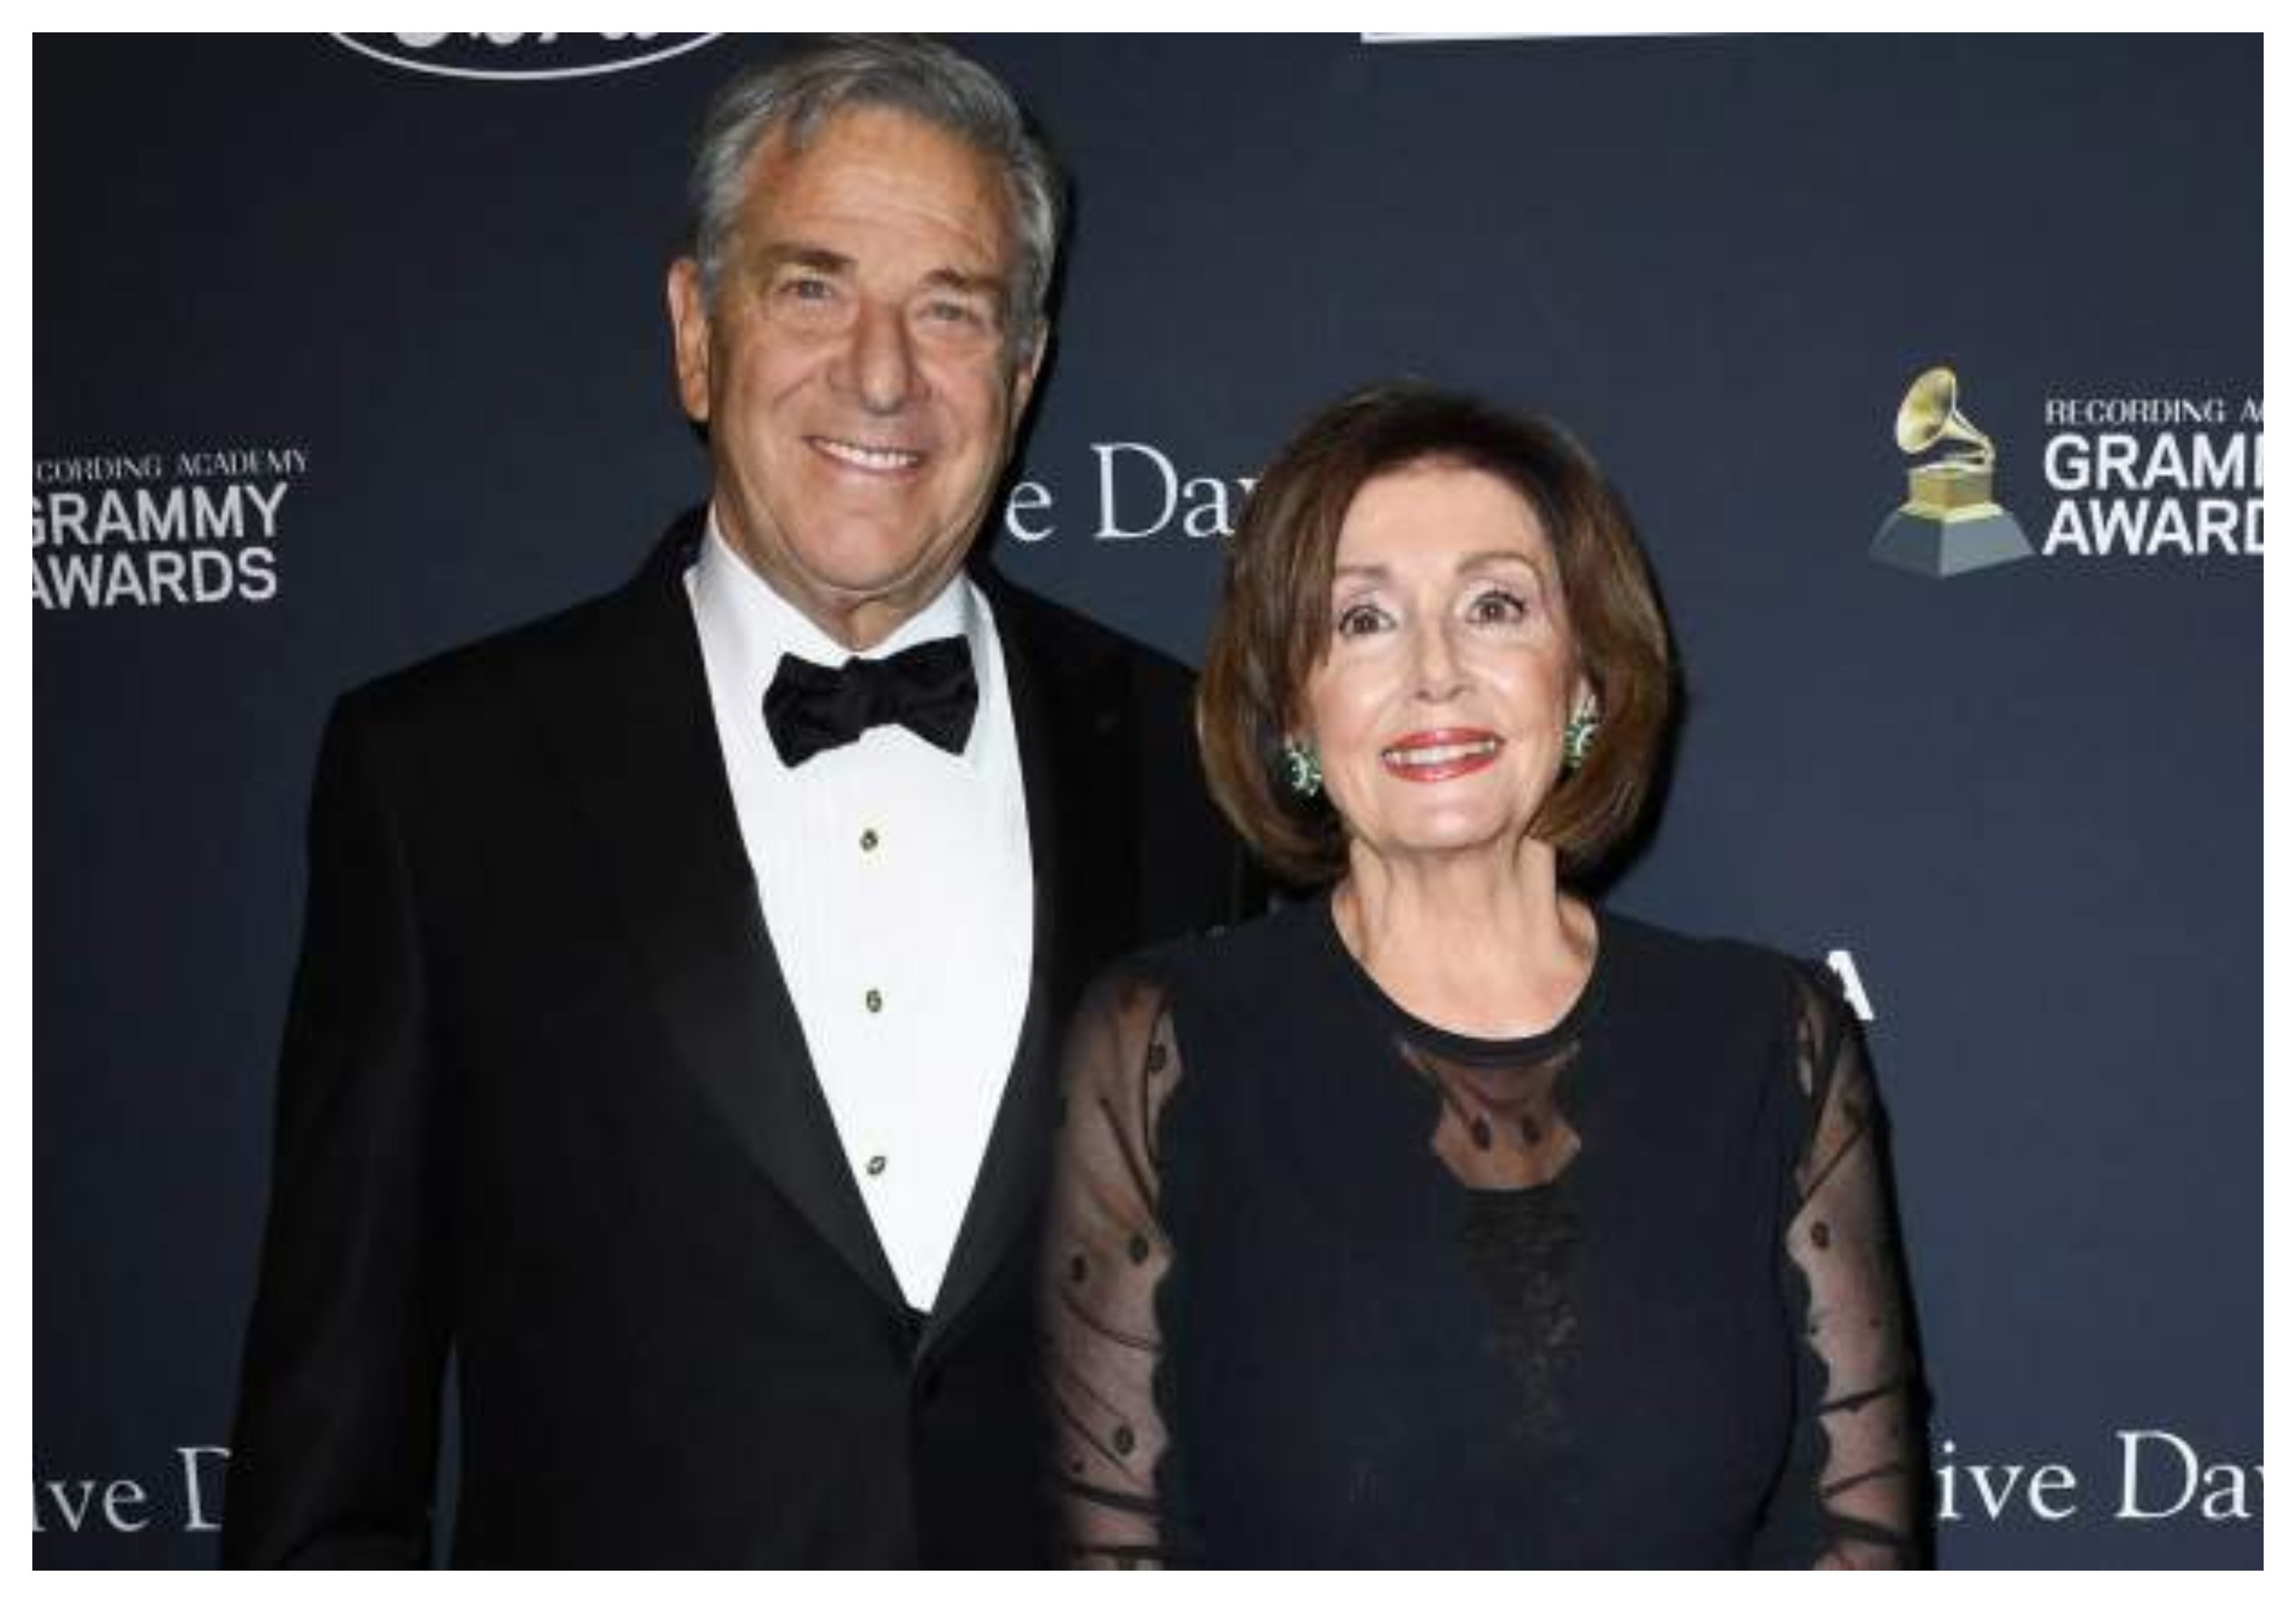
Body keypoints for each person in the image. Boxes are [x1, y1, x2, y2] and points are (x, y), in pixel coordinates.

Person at [223, 37, 1245, 1567]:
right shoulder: (441, 777)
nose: (882, 373)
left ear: (1024, 374)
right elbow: (331, 1446)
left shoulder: (1193, 759)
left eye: (951, 308)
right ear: (698, 333)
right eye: (812, 287)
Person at [1041, 381, 1927, 1568]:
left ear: (1587, 677)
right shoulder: (1168, 1044)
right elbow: (1115, 1554)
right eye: (1364, 619)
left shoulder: (1772, 1040)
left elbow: (1855, 1536)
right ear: (1293, 709)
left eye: (1495, 606)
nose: (1437, 673)